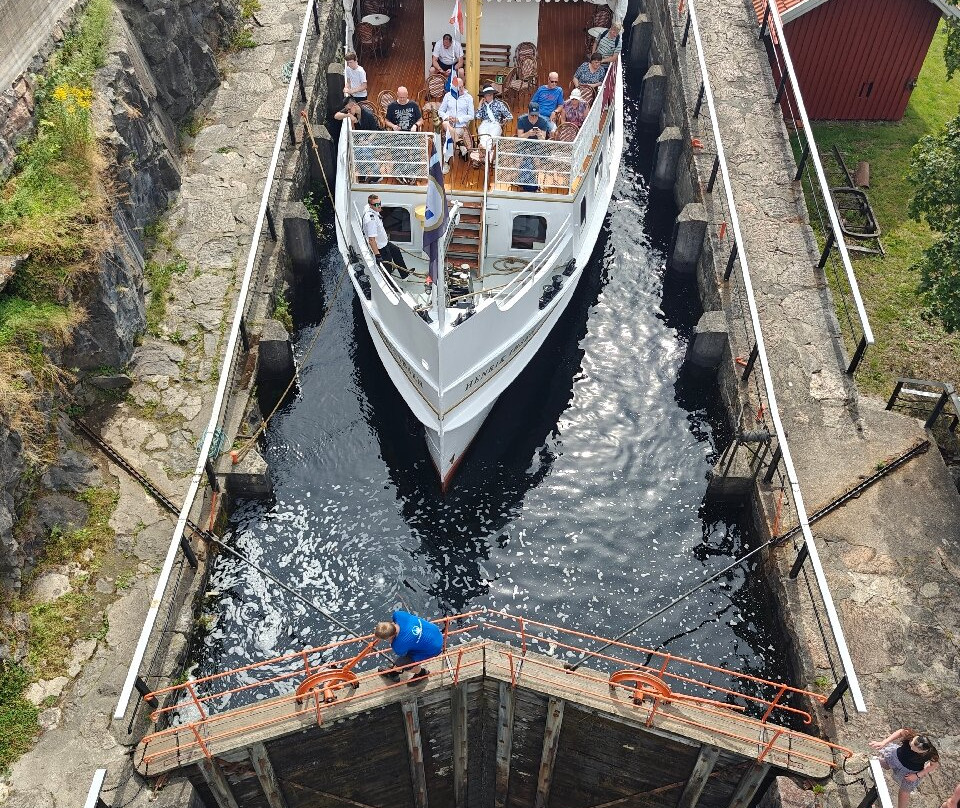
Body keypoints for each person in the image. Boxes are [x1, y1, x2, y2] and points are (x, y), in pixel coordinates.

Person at [870, 729, 940, 808]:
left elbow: (933, 765)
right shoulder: (911, 735)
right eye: (911, 744)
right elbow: (900, 732)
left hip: (910, 771)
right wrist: (884, 742)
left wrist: (917, 775)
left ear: (922, 751)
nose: (911, 748)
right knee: (886, 765)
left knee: (904, 793)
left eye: (914, 749)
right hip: (896, 757)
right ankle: (875, 762)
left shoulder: (930, 753)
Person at [374, 610, 444, 685]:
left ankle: (422, 673)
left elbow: (402, 653)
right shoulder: (399, 615)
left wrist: (392, 641)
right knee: (401, 662)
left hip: (433, 648)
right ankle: (395, 671)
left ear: (390, 637)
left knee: (406, 664)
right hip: (434, 632)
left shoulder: (399, 645)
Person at [363, 194, 409, 279]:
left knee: (396, 250)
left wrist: (377, 208)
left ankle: (405, 274)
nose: (379, 206)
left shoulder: (370, 208)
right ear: (370, 205)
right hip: (380, 247)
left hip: (384, 242)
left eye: (379, 203)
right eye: (376, 204)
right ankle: (391, 285)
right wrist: (378, 255)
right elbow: (372, 240)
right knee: (387, 267)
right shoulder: (371, 220)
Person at [438, 76, 475, 170]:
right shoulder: (448, 96)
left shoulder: (468, 97)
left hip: (461, 126)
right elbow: (440, 111)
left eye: (462, 86)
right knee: (445, 125)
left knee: (448, 135)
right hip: (449, 124)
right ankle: (460, 144)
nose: (461, 89)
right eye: (459, 88)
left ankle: (446, 162)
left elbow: (471, 115)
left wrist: (458, 119)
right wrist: (447, 117)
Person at [475, 85, 513, 164]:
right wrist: (479, 105)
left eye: (491, 95)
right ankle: (487, 154)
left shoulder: (499, 104)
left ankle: (483, 154)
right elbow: (478, 116)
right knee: (483, 135)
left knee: (492, 137)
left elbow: (510, 116)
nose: (490, 96)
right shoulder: (483, 105)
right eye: (488, 95)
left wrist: (503, 122)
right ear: (484, 96)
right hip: (485, 123)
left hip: (495, 123)